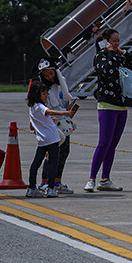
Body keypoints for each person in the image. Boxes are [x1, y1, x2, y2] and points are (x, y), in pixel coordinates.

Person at [86, 27, 132, 193]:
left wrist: (123, 53)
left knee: (112, 144)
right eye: (114, 41)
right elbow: (108, 71)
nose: (117, 43)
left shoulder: (120, 57)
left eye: (118, 40)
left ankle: (105, 179)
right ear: (106, 42)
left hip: (121, 105)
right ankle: (91, 179)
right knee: (104, 143)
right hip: (107, 105)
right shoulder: (100, 57)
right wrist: (110, 52)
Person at [26, 79, 79, 198]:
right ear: (36, 94)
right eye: (43, 94)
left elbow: (32, 125)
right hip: (52, 139)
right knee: (53, 163)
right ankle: (50, 188)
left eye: (46, 93)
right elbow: (49, 112)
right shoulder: (40, 106)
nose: (46, 96)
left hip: (42, 140)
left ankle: (32, 188)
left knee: (36, 163)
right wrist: (66, 113)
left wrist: (48, 120)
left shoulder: (32, 108)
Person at [36, 60, 76, 195]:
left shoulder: (61, 84)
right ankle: (45, 182)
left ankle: (57, 182)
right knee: (50, 154)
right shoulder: (42, 88)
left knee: (64, 152)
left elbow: (65, 100)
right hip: (50, 123)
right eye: (46, 75)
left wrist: (69, 108)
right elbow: (40, 107)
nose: (50, 77)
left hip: (63, 121)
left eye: (51, 74)